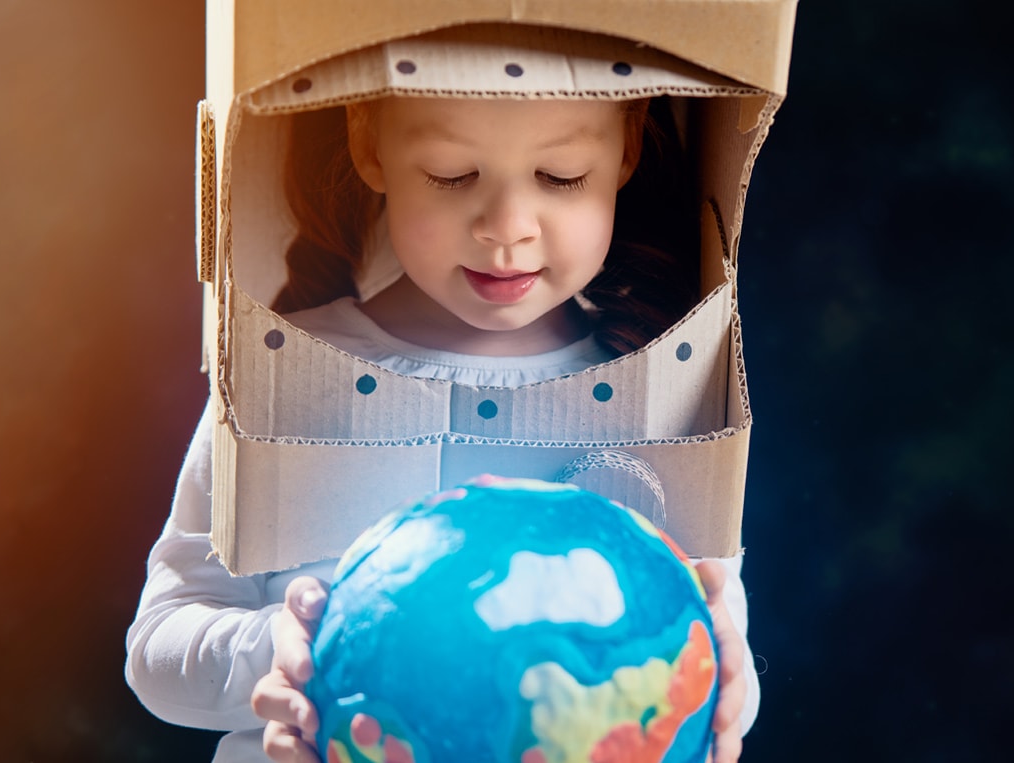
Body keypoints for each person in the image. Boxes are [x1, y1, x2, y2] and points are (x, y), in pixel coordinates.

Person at [125, 95, 757, 763]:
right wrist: (288, 648)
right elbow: (157, 647)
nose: (506, 228)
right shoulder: (281, 375)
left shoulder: (667, 394)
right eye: (453, 174)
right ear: (370, 146)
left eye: (561, 174)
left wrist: (722, 684)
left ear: (627, 148)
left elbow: (722, 669)